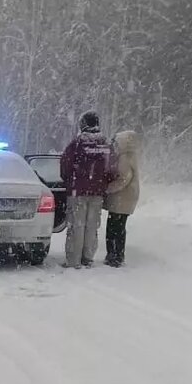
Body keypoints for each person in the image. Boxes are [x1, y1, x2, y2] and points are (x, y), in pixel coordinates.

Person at [59, 111, 112, 268]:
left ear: (83, 125)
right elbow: (112, 169)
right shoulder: (106, 146)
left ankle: (74, 260)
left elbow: (65, 167)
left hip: (78, 191)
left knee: (76, 225)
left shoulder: (76, 144)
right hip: (97, 193)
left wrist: (71, 181)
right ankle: (88, 257)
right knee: (91, 226)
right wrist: (102, 183)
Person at [103, 130, 140, 267]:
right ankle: (118, 254)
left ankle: (114, 256)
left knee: (113, 227)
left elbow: (123, 179)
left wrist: (107, 189)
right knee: (120, 227)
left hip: (121, 198)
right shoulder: (132, 156)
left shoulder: (124, 158)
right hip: (127, 198)